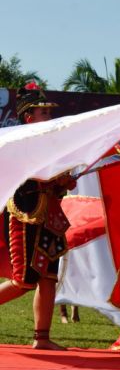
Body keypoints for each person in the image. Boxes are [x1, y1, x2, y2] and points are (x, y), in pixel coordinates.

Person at [0, 83, 76, 350]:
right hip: (26, 213)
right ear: (29, 117)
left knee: (48, 278)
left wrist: (62, 182)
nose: (49, 116)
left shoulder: (52, 145)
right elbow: (20, 176)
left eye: (49, 111)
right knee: (24, 280)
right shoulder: (17, 142)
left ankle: (41, 338)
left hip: (50, 215)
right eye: (44, 112)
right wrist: (53, 178)